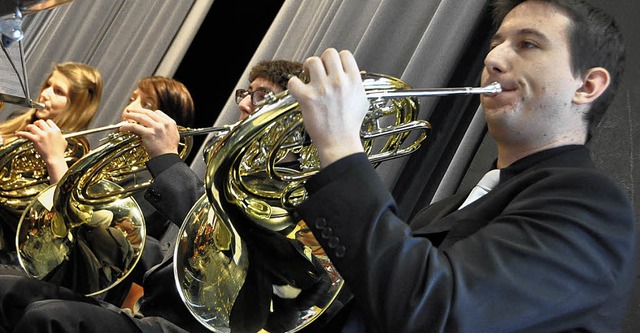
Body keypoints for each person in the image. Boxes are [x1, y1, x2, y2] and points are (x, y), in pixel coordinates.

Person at [285, 0, 636, 332]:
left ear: (587, 86)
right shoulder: (443, 210)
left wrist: (339, 145)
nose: (494, 59)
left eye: (528, 44)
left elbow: (435, 314)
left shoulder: (592, 205)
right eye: (495, 43)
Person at [0, 59, 331, 333]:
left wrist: (168, 160)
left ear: (292, 118)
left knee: (48, 319)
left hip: (193, 329)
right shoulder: (236, 180)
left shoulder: (301, 195)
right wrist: (118, 236)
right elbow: (165, 255)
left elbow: (234, 247)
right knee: (8, 291)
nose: (243, 103)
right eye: (247, 92)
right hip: (155, 310)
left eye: (261, 95)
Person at [0, 61, 103, 265]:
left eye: (58, 92)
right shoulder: (18, 121)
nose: (45, 94)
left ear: (77, 105)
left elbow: (57, 212)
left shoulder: (73, 150)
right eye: (48, 85)